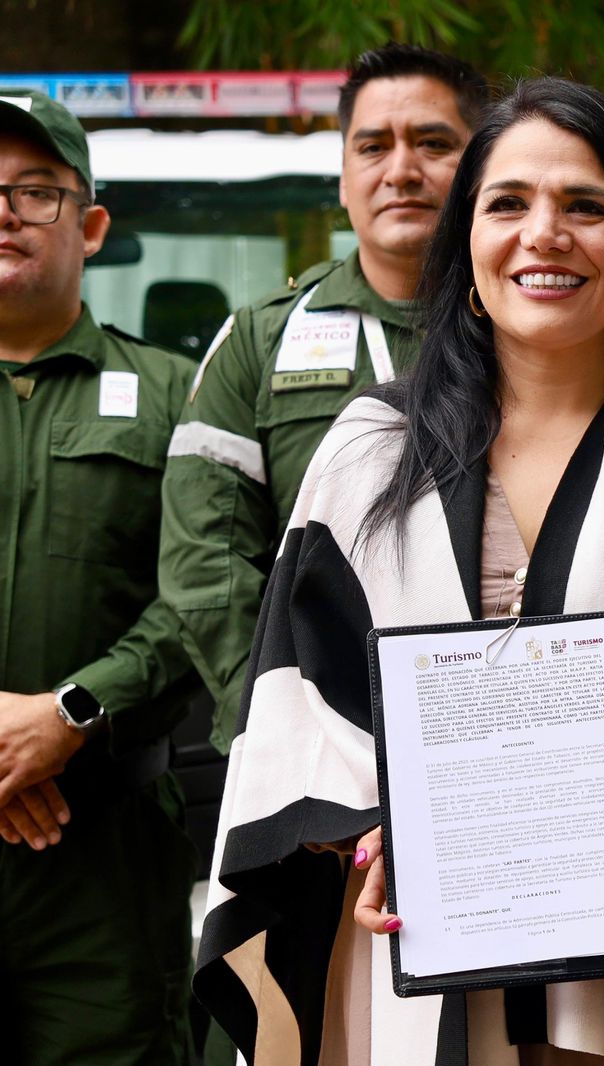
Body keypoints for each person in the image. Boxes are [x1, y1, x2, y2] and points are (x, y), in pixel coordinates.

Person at [193, 77, 604, 1065]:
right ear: (467, 252)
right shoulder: (369, 454)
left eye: (587, 206)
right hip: (409, 954)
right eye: (508, 204)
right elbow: (297, 702)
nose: (545, 233)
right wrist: (379, 830)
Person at [159, 43, 487, 754]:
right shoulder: (261, 340)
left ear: (481, 169)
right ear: (343, 176)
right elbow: (204, 561)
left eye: (434, 143)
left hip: (498, 736)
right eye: (373, 146)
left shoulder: (543, 332)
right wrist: (295, 723)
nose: (402, 170)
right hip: (303, 753)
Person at [0, 88, 197, 1065]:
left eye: (34, 191)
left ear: (90, 225)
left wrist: (69, 714)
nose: (3, 210)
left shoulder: (174, 398)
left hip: (105, 863)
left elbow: (209, 593)